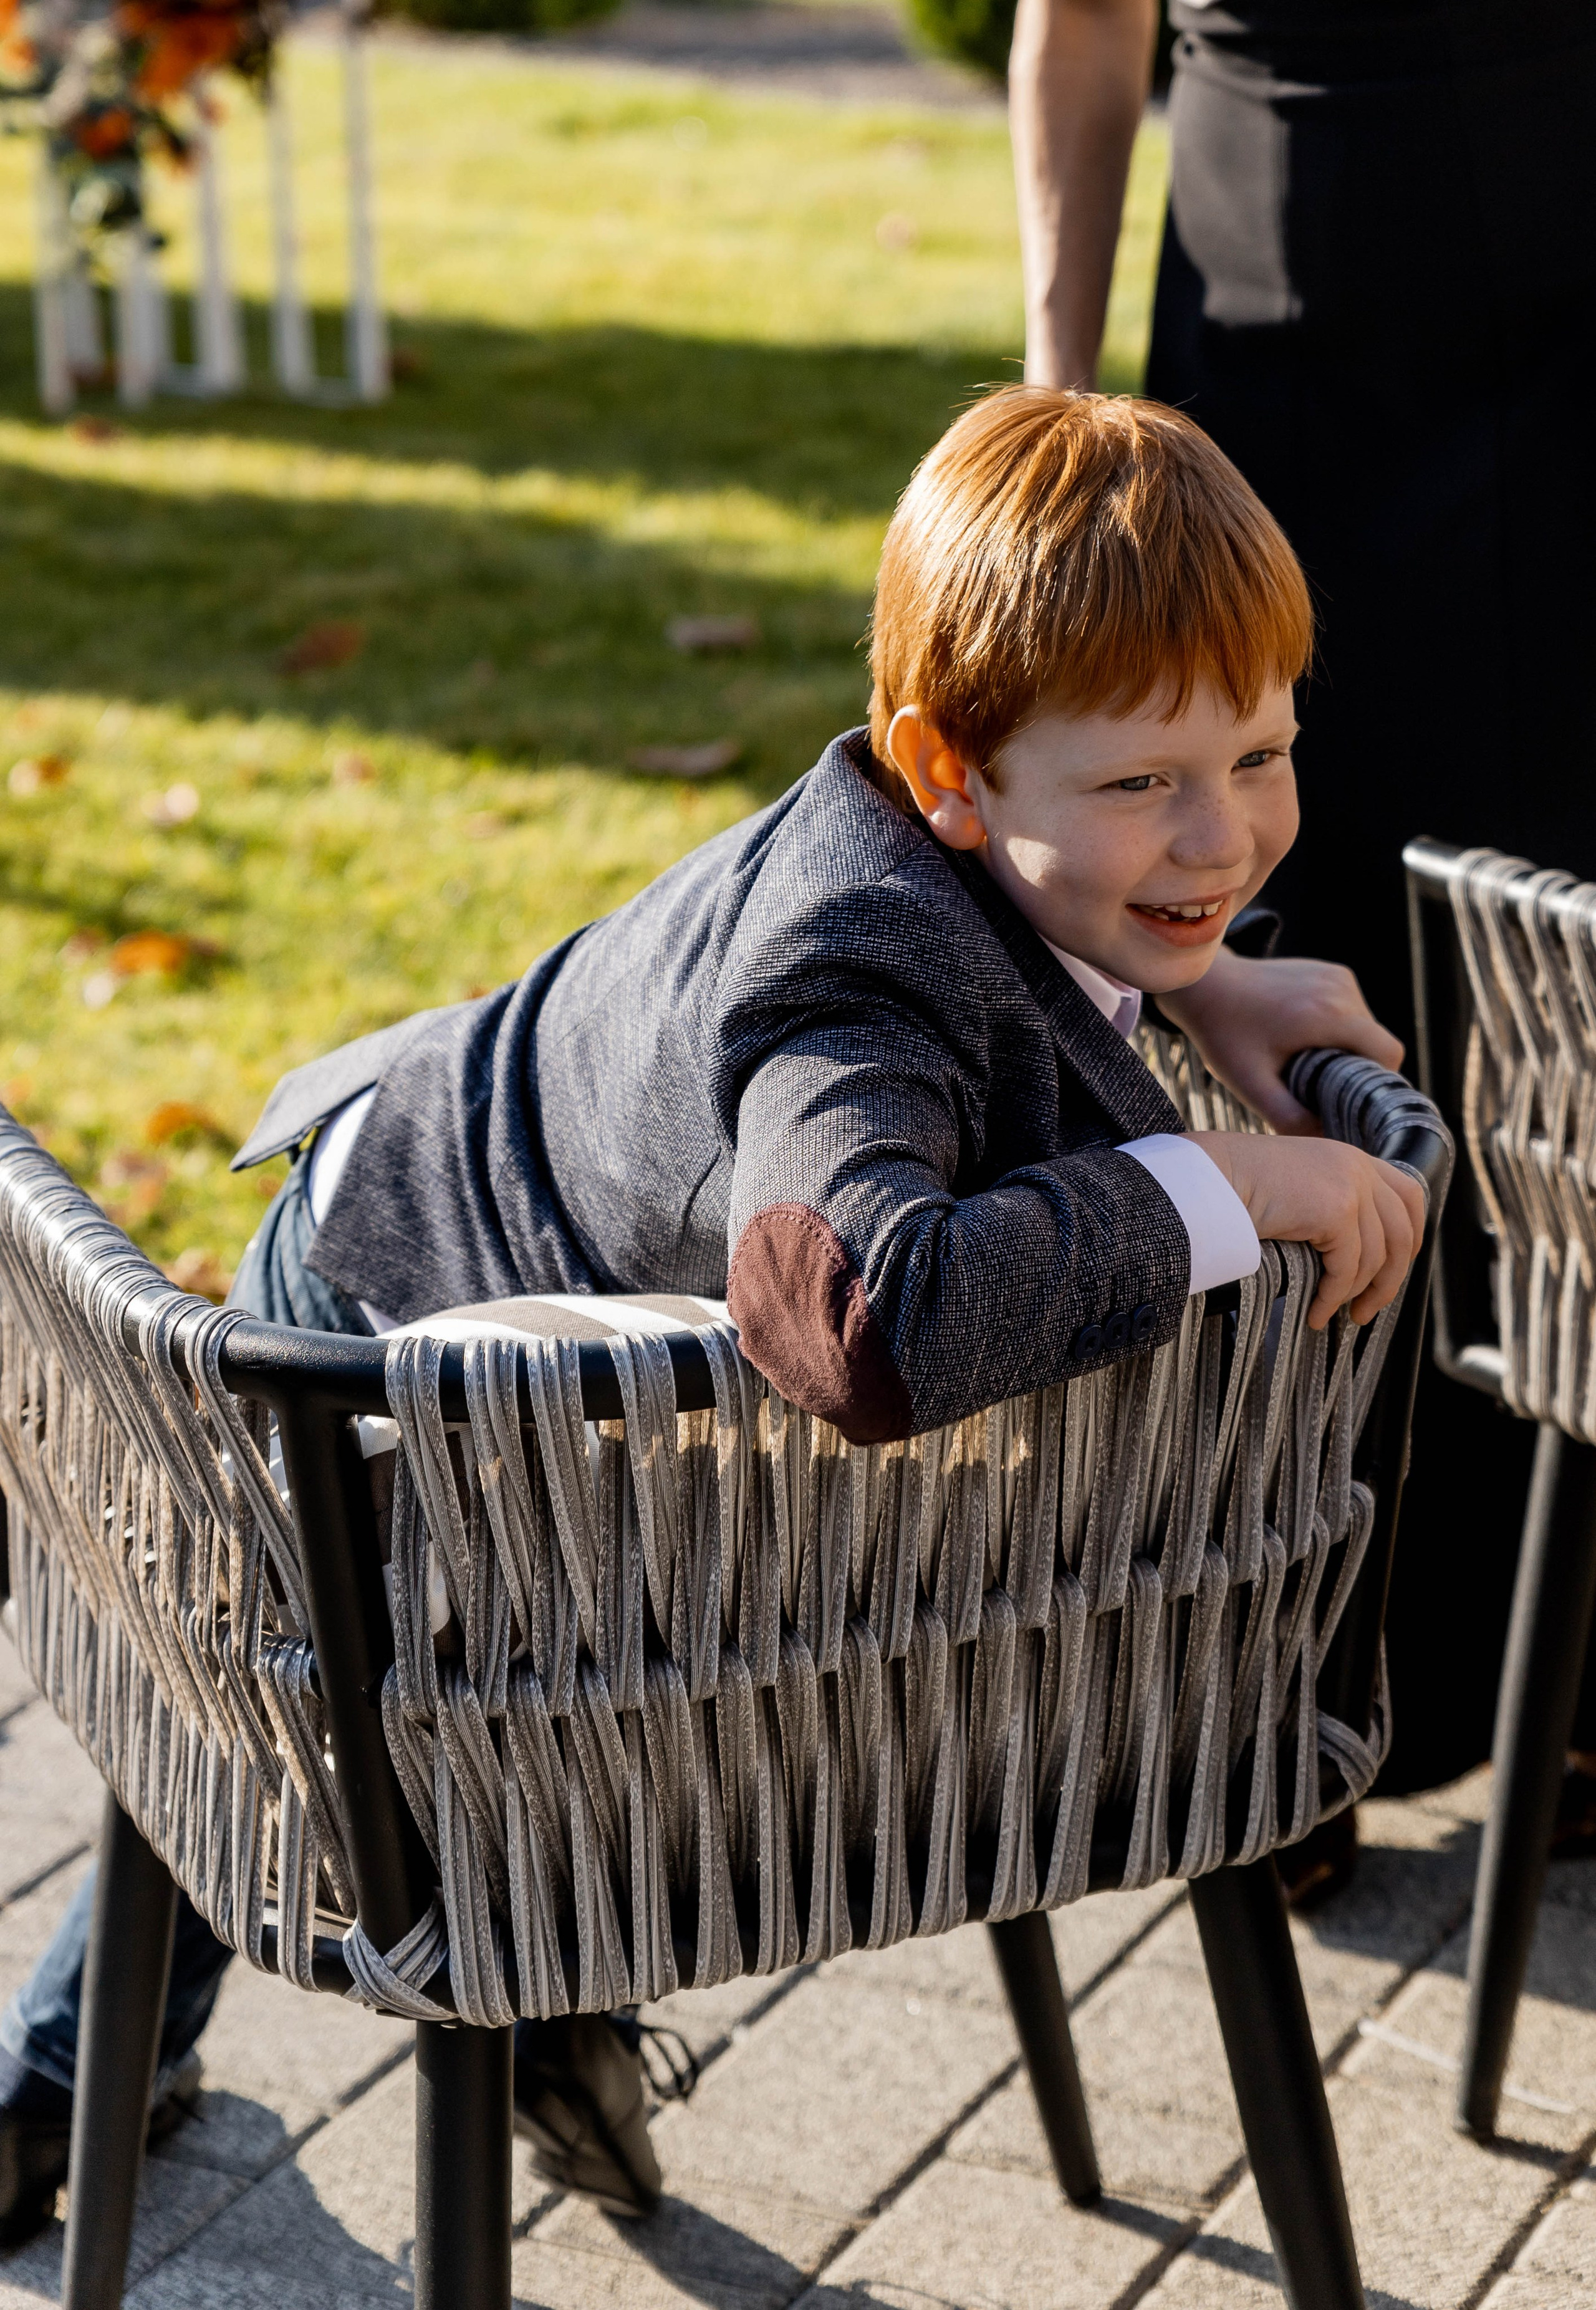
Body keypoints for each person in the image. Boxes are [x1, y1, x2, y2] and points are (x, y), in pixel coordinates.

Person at [0, 387, 1424, 2243]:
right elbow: (853, 1316)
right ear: (947, 772)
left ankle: (538, 1996)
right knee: (292, 1705)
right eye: (1146, 785)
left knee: (564, 1666)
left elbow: (1036, 931)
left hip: (578, 1334)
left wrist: (1188, 973)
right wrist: (1233, 1184)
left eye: (1261, 753)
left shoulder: (1001, 847)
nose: (1221, 826)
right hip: (389, 1284)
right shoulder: (852, 972)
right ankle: (77, 2067)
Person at [1009, 0, 1596, 1830]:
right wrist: (1055, 398)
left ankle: (1575, 1669)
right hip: (1271, 356)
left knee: (1567, 976)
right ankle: (1303, 1690)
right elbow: (1087, 27)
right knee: (1285, 963)